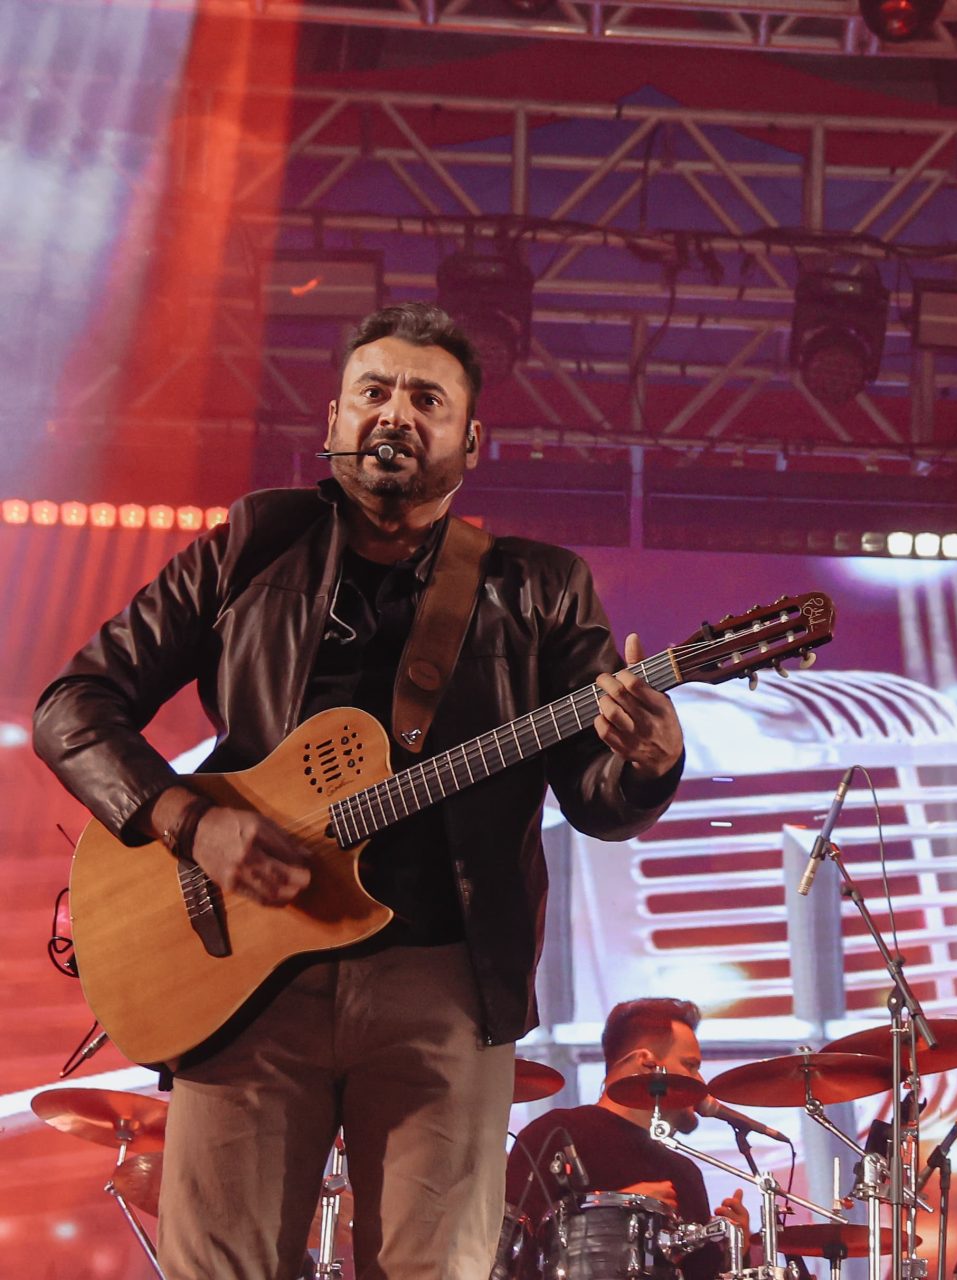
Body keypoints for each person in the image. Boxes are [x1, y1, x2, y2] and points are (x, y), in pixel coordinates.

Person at [33, 302, 686, 1278]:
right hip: (244, 980)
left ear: (470, 442)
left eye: (428, 397)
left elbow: (597, 795)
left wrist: (647, 756)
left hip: (443, 983)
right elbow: (72, 704)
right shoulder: (253, 544)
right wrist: (189, 823)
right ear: (333, 422)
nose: (396, 412)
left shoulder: (539, 587)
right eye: (373, 390)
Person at [504, 998, 749, 1280]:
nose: (701, 1083)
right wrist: (622, 1213)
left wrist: (733, 1252)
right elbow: (514, 1250)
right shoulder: (557, 1133)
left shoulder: (686, 1173)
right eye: (690, 1065)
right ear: (647, 1063)